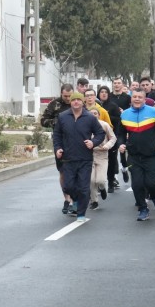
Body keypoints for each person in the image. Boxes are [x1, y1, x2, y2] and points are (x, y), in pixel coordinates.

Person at [52, 92, 106, 223]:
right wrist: (58, 148)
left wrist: (93, 143)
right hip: (68, 158)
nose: (76, 102)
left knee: (83, 187)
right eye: (73, 100)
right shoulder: (63, 117)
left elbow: (100, 133)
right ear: (70, 102)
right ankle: (74, 199)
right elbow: (57, 135)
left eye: (78, 100)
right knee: (68, 187)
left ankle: (81, 213)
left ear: (83, 102)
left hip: (85, 158)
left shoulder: (89, 117)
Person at [119, 90, 155, 221]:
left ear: (144, 99)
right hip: (134, 156)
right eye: (134, 97)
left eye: (139, 97)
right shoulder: (125, 114)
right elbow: (120, 133)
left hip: (151, 155)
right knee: (137, 184)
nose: (137, 99)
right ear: (131, 99)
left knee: (152, 183)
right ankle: (143, 209)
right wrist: (121, 144)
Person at [40, 84, 74, 213]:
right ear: (61, 94)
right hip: (60, 140)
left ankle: (75, 198)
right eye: (65, 96)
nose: (68, 99)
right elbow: (43, 121)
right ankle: (67, 198)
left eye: (69, 96)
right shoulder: (54, 104)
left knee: (76, 170)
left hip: (76, 141)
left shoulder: (77, 102)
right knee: (63, 171)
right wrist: (57, 121)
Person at [88, 108, 116, 211]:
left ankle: (102, 187)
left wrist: (107, 146)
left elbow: (113, 138)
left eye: (95, 113)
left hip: (102, 154)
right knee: (91, 180)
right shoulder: (84, 125)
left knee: (99, 180)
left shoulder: (104, 125)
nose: (93, 115)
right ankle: (94, 201)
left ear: (99, 115)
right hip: (89, 155)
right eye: (91, 114)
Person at [98, 86, 123, 191]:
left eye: (106, 92)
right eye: (101, 92)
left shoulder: (113, 106)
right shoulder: (96, 106)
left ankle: (111, 182)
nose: (103, 94)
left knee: (112, 161)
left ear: (108, 94)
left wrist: (107, 116)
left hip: (111, 136)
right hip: (98, 137)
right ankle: (100, 183)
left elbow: (118, 120)